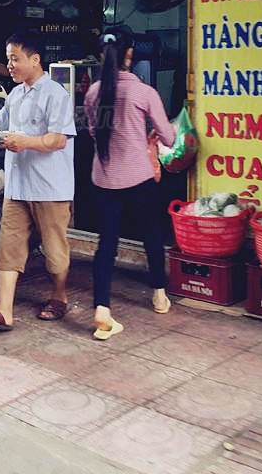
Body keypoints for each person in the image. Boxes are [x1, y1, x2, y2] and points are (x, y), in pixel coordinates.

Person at [0, 30, 76, 331]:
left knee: (55, 252)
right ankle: (4, 311)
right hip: (17, 187)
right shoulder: (15, 94)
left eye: (15, 59)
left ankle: (59, 296)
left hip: (50, 188)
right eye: (8, 59)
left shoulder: (55, 94)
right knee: (9, 247)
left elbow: (58, 140)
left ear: (35, 59)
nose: (10, 65)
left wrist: (25, 142)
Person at [83, 28, 177, 340]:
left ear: (101, 55)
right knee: (152, 235)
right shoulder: (143, 93)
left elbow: (96, 132)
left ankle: (102, 308)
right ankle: (159, 295)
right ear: (130, 53)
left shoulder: (94, 93)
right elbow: (169, 137)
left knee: (107, 244)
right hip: (138, 178)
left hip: (104, 179)